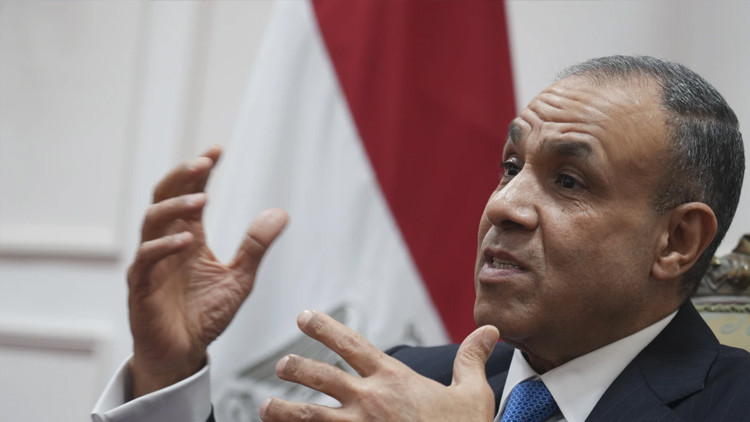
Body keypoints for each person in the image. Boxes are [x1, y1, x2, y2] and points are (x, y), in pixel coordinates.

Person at [92, 55, 750, 422]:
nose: (504, 206)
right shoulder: (408, 378)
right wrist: (168, 372)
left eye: (570, 181)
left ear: (676, 241)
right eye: (511, 167)